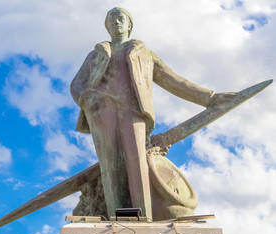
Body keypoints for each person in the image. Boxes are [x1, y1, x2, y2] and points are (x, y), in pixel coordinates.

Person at [70, 7, 216, 219]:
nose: (116, 23)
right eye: (111, 20)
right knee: (110, 166)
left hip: (133, 112)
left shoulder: (144, 54)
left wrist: (210, 97)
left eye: (120, 19)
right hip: (102, 112)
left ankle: (142, 216)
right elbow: (77, 84)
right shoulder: (95, 56)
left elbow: (174, 80)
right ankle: (117, 216)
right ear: (107, 26)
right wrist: (86, 99)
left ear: (129, 25)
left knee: (136, 162)